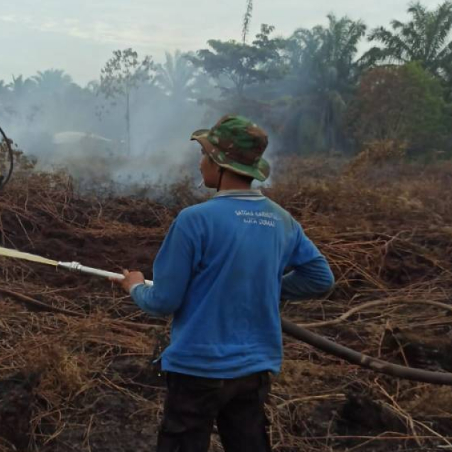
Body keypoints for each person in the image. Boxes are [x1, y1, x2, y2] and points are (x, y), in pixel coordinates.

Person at [111, 115, 334, 452]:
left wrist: (134, 286)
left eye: (203, 155)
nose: (200, 164)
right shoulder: (282, 221)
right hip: (254, 371)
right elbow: (320, 278)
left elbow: (163, 301)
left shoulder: (194, 221)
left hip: (197, 369)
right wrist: (264, 288)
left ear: (218, 162)